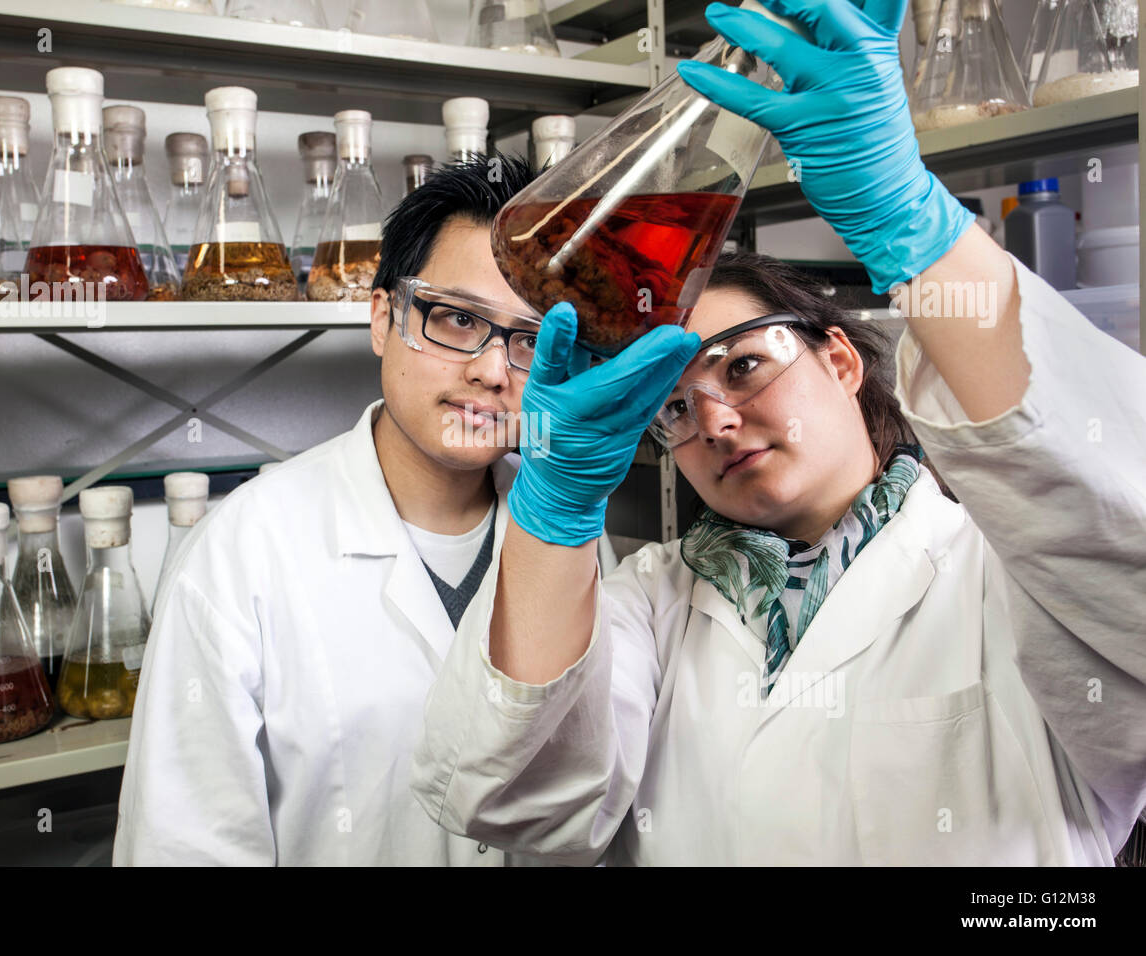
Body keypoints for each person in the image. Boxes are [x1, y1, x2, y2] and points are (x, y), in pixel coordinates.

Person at [411, 0, 1146, 865]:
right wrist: (553, 511)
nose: (715, 419)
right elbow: (506, 801)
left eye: (744, 366)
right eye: (673, 407)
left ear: (840, 362)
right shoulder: (651, 603)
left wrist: (911, 224)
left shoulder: (1004, 578)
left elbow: (1116, 533)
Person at [114, 155, 570, 865]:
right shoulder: (244, 553)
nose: (491, 370)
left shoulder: (569, 543)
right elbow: (185, 845)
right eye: (455, 319)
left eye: (530, 339)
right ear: (384, 319)